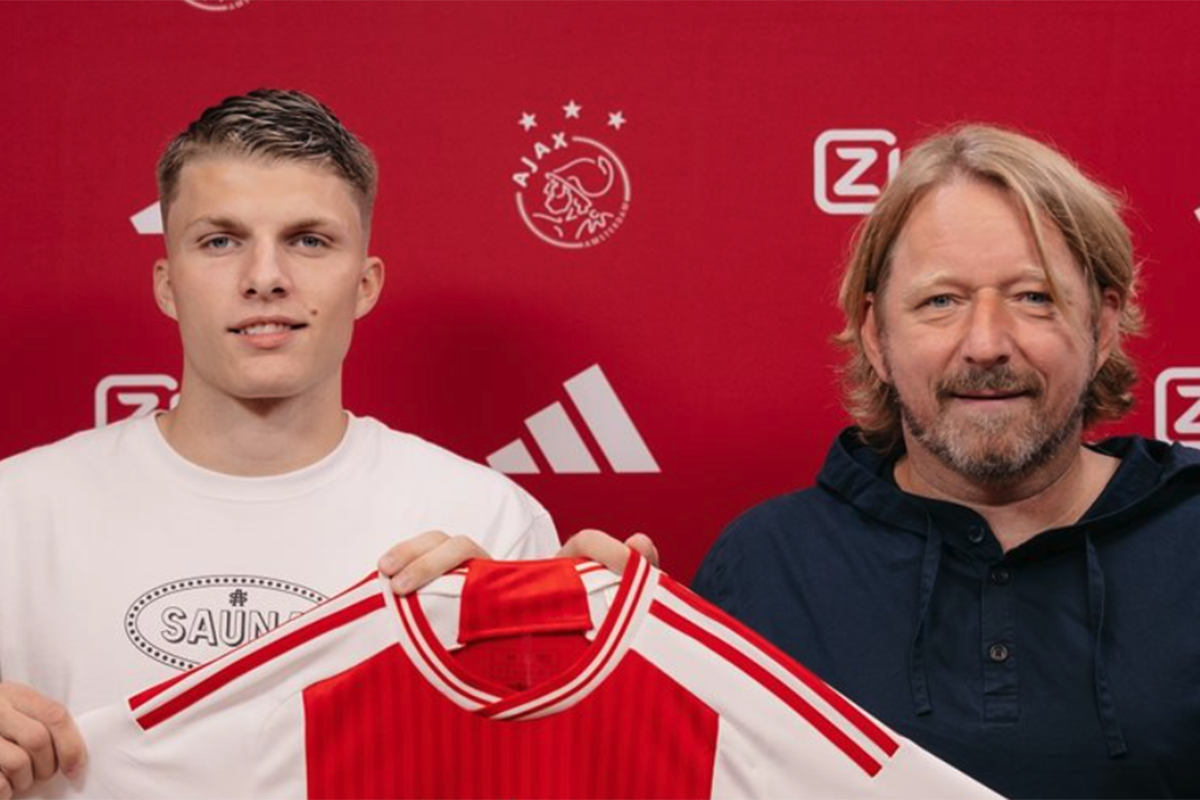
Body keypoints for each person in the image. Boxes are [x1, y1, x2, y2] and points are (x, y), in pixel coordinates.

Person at [0, 89, 564, 799]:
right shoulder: (16, 513)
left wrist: (539, 670)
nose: (264, 278)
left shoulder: (487, 523)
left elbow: (551, 774)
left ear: (365, 283)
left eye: (309, 240)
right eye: (220, 241)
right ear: (168, 285)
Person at [692, 124, 1200, 799]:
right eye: (941, 301)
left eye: (1033, 296)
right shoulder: (762, 568)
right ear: (876, 335)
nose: (986, 344)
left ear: (1102, 326)